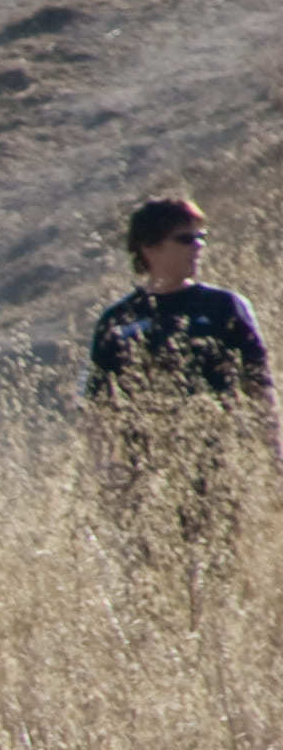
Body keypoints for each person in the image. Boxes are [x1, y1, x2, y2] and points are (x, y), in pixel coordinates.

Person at [83, 195, 281, 599]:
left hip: (216, 465)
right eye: (185, 239)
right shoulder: (119, 321)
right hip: (146, 472)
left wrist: (272, 455)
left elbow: (258, 387)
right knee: (150, 580)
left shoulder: (223, 307)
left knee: (214, 573)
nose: (199, 247)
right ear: (150, 248)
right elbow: (98, 406)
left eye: (201, 237)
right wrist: (105, 471)